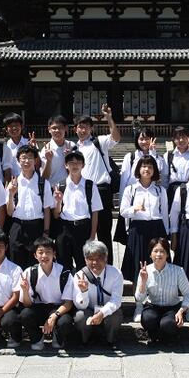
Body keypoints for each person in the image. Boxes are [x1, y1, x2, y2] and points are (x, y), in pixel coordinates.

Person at [72, 105, 121, 264]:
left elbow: (116, 138)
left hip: (101, 189)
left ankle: (108, 266)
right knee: (85, 230)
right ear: (75, 129)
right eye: (80, 127)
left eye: (86, 127)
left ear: (91, 128)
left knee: (104, 231)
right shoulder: (73, 149)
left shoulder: (99, 142)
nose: (82, 130)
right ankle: (87, 265)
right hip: (83, 191)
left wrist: (109, 117)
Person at [19, 236, 75, 350]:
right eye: (40, 252)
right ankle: (37, 338)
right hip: (38, 308)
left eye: (48, 252)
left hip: (58, 309)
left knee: (66, 322)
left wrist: (54, 316)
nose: (44, 256)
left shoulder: (64, 273)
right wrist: (25, 291)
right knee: (25, 314)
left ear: (54, 254)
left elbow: (68, 303)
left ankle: (57, 336)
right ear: (35, 255)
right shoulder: (29, 272)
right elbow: (27, 304)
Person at [119, 155, 169, 282]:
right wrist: (135, 209)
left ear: (154, 170)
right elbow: (123, 211)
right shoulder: (130, 189)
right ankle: (138, 292)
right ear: (138, 169)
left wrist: (166, 234)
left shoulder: (160, 190)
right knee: (137, 267)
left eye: (150, 167)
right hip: (138, 230)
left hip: (156, 229)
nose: (147, 169)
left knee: (158, 264)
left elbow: (164, 213)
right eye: (144, 166)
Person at [134, 238, 189, 344]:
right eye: (155, 251)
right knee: (148, 319)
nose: (158, 254)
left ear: (167, 254)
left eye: (162, 251)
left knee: (168, 324)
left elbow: (188, 294)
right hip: (153, 307)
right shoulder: (145, 271)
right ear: (150, 254)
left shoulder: (178, 271)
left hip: (172, 308)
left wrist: (181, 311)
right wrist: (143, 281)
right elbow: (139, 298)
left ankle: (163, 336)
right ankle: (155, 335)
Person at [114, 128, 166, 244]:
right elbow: (124, 180)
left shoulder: (158, 157)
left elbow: (157, 170)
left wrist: (152, 153)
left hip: (151, 193)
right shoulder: (130, 157)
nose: (144, 142)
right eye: (141, 139)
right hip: (133, 195)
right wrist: (123, 201)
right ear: (136, 140)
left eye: (147, 139)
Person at [53, 150, 103, 270]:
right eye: (71, 162)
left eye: (78, 162)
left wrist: (92, 236)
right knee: (63, 266)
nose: (74, 165)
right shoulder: (60, 185)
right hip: (64, 229)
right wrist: (58, 201)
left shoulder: (90, 185)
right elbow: (56, 214)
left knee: (84, 266)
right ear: (66, 165)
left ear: (83, 165)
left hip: (83, 229)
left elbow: (95, 212)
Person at [6, 145, 54, 268]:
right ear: (18, 160)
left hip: (36, 227)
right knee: (16, 265)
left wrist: (46, 232)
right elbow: (10, 212)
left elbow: (47, 210)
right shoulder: (13, 183)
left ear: (35, 160)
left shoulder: (43, 183)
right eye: (23, 158)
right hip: (17, 227)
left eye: (30, 157)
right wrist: (11, 194)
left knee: (36, 265)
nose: (26, 161)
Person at [73, 240, 124, 347]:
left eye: (99, 258)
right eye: (91, 259)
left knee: (115, 316)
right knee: (79, 317)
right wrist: (84, 292)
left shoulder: (116, 273)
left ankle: (110, 341)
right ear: (85, 260)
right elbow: (80, 305)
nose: (95, 263)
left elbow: (116, 300)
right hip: (89, 309)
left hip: (107, 308)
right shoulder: (79, 276)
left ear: (106, 258)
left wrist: (102, 313)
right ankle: (85, 340)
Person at [163, 126, 189, 209]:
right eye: (177, 138)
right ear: (174, 140)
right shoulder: (168, 155)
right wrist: (164, 193)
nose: (181, 140)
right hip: (173, 189)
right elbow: (164, 176)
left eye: (184, 137)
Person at [40, 115, 75, 189]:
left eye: (60, 127)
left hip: (70, 188)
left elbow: (77, 171)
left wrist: (69, 159)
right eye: (54, 128)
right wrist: (49, 160)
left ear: (66, 128)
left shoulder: (72, 146)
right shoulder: (45, 150)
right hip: (53, 189)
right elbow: (44, 177)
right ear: (49, 129)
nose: (57, 130)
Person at [3, 112, 30, 179]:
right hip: (14, 182)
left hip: (30, 181)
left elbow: (38, 164)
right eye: (10, 126)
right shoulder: (5, 147)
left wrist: (34, 148)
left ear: (22, 126)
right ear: (6, 129)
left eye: (16, 125)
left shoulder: (29, 143)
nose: (14, 128)